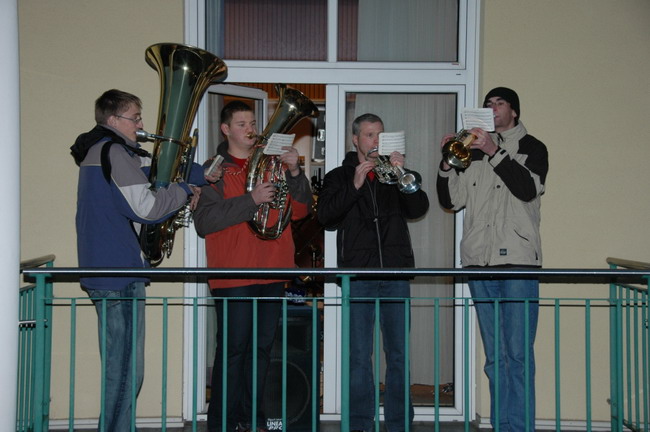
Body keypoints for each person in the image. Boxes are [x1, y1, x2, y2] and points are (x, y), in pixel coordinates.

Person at [70, 89, 210, 431]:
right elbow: (146, 208)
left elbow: (152, 170)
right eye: (135, 117)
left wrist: (197, 173)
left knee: (122, 371)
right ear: (114, 120)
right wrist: (184, 191)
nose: (141, 124)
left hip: (110, 271)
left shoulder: (106, 151)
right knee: (125, 373)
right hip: (117, 274)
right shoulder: (113, 152)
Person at [193, 100, 313, 432]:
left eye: (252, 123)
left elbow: (301, 211)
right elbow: (204, 221)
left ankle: (252, 418)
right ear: (226, 129)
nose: (251, 129)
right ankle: (223, 422)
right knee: (234, 351)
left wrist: (295, 171)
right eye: (243, 124)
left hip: (273, 268)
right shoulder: (213, 169)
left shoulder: (272, 164)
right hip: (233, 273)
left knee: (261, 351)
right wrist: (252, 200)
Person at [436, 87, 549, 432]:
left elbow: (527, 189)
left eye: (499, 103)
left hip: (517, 262)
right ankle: (503, 426)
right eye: (488, 104)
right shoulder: (471, 152)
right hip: (478, 263)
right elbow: (450, 201)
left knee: (517, 355)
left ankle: (520, 428)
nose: (493, 108)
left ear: (513, 111)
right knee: (495, 358)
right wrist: (447, 163)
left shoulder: (532, 147)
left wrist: (494, 150)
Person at [317, 113, 429, 432]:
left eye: (380, 135)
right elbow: (326, 216)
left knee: (397, 355)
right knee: (359, 356)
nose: (375, 141)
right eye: (369, 135)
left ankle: (398, 424)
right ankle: (360, 424)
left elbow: (418, 209)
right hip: (358, 276)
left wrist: (401, 173)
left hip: (394, 273)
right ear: (356, 140)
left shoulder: (395, 175)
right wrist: (353, 185)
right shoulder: (339, 176)